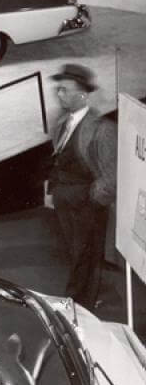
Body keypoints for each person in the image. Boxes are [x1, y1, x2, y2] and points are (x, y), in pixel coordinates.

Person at [46, 63, 116, 309]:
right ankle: (80, 299)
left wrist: (94, 200)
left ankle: (78, 303)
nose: (60, 95)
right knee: (75, 253)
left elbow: (111, 175)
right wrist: (52, 190)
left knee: (86, 255)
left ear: (83, 94)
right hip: (66, 199)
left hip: (87, 202)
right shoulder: (63, 122)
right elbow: (57, 158)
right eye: (59, 90)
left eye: (65, 90)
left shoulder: (102, 128)